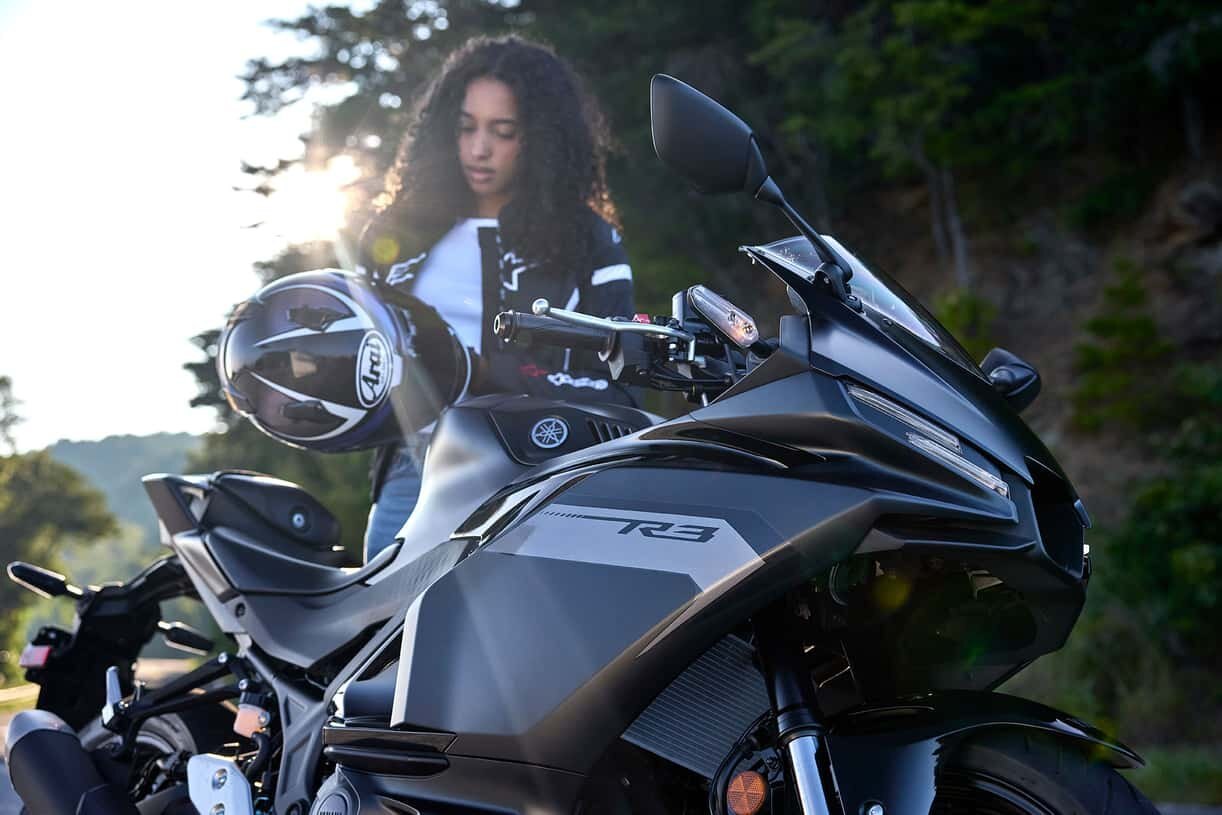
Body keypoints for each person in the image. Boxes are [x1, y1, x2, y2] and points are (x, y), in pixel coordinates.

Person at [356, 35, 635, 561]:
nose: (479, 149)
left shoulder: (588, 241)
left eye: (503, 131)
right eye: (466, 128)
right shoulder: (399, 235)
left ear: (543, 138)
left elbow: (620, 387)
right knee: (387, 613)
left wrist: (492, 375)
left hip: (536, 476)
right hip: (411, 473)